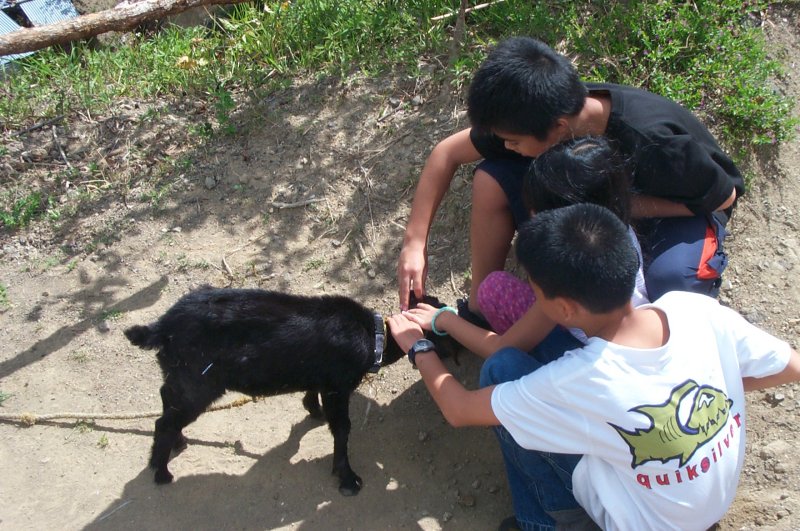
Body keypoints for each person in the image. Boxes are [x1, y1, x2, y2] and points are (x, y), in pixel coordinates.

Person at [388, 203, 799, 530]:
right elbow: (790, 367)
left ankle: (544, 524)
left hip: (645, 522)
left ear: (564, 307)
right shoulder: (693, 309)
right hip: (707, 505)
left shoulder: (581, 379)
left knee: (501, 370)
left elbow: (459, 410)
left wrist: (419, 345)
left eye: (535, 289)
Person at [396, 36, 743, 322]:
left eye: (514, 142)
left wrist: (620, 206)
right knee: (491, 179)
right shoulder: (536, 112)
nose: (507, 147)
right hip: (594, 195)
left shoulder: (657, 143)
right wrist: (414, 243)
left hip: (682, 208)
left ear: (559, 130)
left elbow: (723, 196)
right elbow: (447, 153)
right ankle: (478, 311)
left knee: (670, 285)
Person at [403, 136, 648, 360]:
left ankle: (533, 367)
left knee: (494, 295)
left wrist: (442, 319)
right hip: (620, 338)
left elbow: (502, 348)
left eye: (536, 210)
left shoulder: (565, 279)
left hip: (584, 357)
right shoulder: (619, 234)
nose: (529, 214)